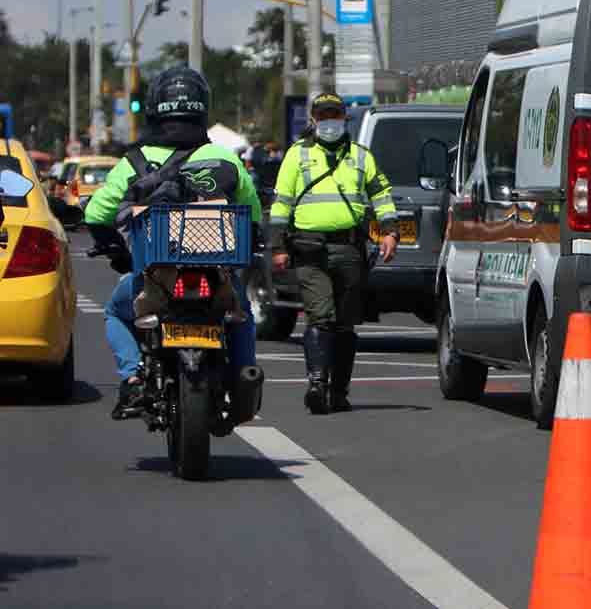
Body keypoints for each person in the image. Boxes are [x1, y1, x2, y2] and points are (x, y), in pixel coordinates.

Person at [84, 66, 263, 420]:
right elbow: (252, 215)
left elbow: (95, 215)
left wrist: (114, 248)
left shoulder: (133, 163)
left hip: (155, 275)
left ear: (153, 107)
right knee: (240, 315)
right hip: (218, 273)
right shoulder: (227, 159)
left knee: (116, 311)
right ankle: (245, 374)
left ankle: (133, 377)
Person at [269, 92, 398, 415]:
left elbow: (381, 195)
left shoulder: (360, 156)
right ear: (313, 120)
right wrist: (278, 246)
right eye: (323, 116)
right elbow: (281, 204)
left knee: (345, 324)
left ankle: (339, 391)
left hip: (349, 249)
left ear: (344, 119)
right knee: (320, 315)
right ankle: (316, 384)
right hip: (309, 249)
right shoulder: (296, 156)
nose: (329, 122)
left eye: (334, 116)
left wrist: (390, 231)